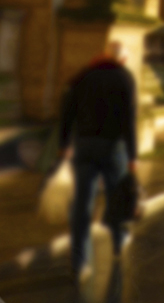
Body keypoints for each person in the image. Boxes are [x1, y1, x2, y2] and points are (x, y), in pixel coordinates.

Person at [59, 41, 137, 280]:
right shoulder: (124, 78)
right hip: (113, 146)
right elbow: (128, 118)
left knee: (83, 203)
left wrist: (64, 144)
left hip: (84, 145)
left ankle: (79, 262)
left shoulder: (83, 76)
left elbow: (67, 111)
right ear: (121, 59)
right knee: (116, 197)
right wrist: (133, 155)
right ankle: (118, 239)